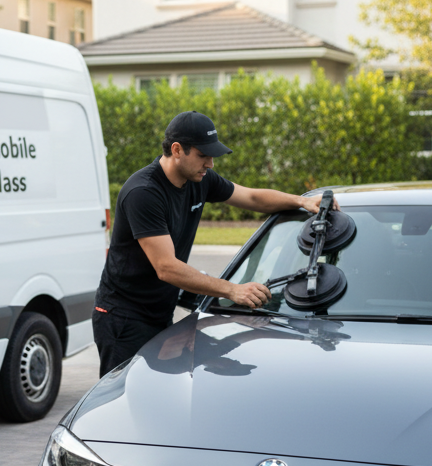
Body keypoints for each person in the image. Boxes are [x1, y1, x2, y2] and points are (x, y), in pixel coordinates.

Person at [92, 110, 334, 376]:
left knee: (163, 390)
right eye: (203, 155)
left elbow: (252, 198)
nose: (210, 164)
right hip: (122, 318)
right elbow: (167, 267)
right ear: (177, 150)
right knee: (123, 399)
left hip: (160, 313)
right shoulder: (144, 193)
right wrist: (232, 290)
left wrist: (301, 201)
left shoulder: (199, 180)